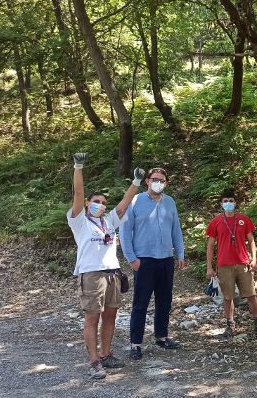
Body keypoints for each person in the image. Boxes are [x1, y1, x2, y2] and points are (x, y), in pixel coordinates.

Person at [67, 152, 143, 379]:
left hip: (113, 274)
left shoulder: (108, 221)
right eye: (96, 202)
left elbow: (124, 204)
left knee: (111, 316)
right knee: (93, 318)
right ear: (88, 203)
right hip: (91, 275)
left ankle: (106, 354)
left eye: (103, 203)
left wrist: (136, 182)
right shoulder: (79, 220)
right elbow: (78, 192)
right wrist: (78, 167)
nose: (99, 205)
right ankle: (93, 362)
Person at [120, 167, 186, 360]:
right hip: (144, 260)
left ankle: (161, 336)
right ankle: (136, 343)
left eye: (162, 180)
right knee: (140, 303)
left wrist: (180, 253)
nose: (158, 182)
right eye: (154, 179)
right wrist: (131, 258)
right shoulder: (135, 201)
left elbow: (176, 229)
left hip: (166, 258)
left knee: (165, 300)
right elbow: (125, 230)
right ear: (147, 181)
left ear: (166, 183)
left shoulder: (170, 202)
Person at [205, 190, 257, 337]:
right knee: (228, 297)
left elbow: (251, 240)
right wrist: (209, 267)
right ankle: (230, 326)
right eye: (225, 201)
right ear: (221, 204)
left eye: (231, 200)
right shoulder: (215, 222)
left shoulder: (243, 219)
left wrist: (254, 259)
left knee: (251, 295)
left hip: (243, 263)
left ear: (235, 203)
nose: (228, 203)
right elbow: (210, 245)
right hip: (224, 265)